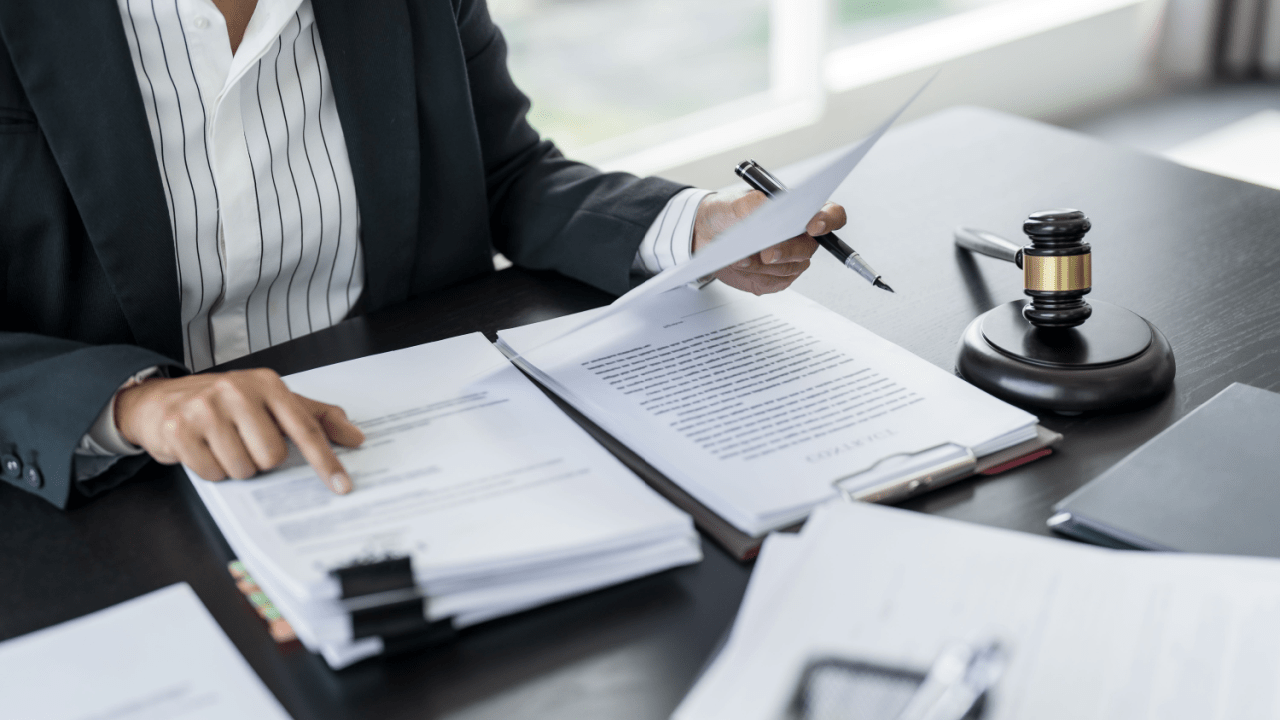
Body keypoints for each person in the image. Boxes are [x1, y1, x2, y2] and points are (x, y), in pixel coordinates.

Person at [0, 0, 845, 508]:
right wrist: (139, 407)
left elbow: (504, 173)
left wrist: (692, 229)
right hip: (115, 490)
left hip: (411, 440)